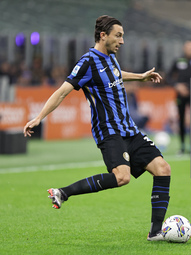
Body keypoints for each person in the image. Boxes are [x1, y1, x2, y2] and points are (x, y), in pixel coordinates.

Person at [23, 15, 170, 241]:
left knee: (163, 168)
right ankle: (63, 192)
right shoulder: (87, 63)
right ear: (103, 36)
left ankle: (156, 232)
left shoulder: (111, 58)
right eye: (118, 36)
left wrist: (140, 77)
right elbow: (62, 91)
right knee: (122, 177)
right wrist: (39, 117)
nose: (122, 41)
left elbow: (115, 75)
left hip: (128, 130)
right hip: (109, 131)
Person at [168, 40, 191, 154]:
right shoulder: (178, 61)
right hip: (180, 95)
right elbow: (169, 76)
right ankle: (182, 146)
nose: (190, 50)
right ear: (184, 48)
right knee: (181, 119)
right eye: (188, 48)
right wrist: (177, 86)